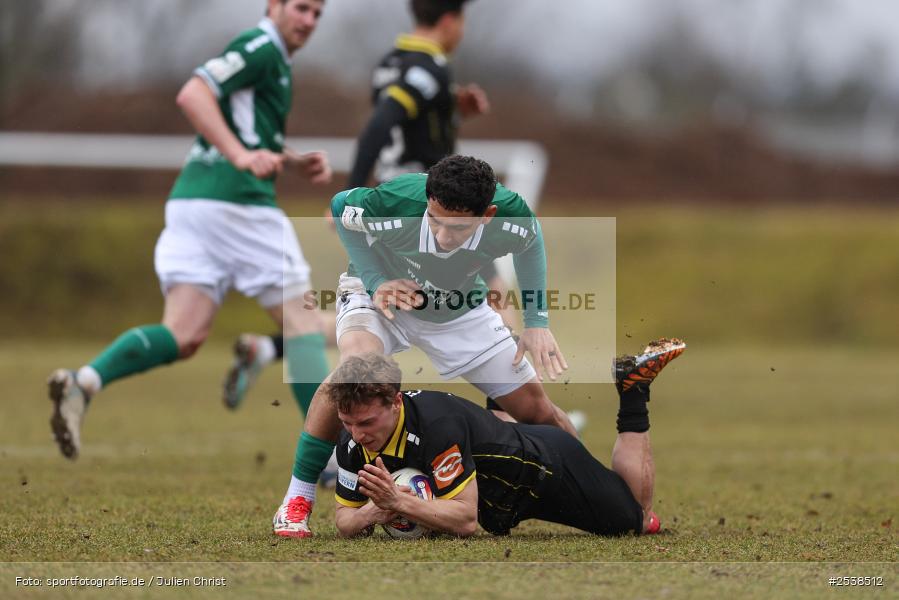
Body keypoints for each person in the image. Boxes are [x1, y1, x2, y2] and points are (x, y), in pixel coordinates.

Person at [46, 0, 333, 460]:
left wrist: (291, 161)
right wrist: (241, 158)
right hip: (238, 206)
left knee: (183, 335)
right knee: (303, 326)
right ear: (273, 6)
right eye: (301, 8)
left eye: (318, 14)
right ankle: (331, 459)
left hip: (192, 203)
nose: (309, 21)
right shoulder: (260, 46)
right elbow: (193, 94)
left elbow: (250, 130)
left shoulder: (273, 59)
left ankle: (84, 383)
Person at [272, 154, 577, 538]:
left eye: (458, 227)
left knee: (537, 410)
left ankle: (590, 483)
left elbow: (531, 244)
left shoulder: (510, 214)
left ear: (488, 214)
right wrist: (376, 279)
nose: (444, 236)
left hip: (458, 310)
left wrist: (536, 323)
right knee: (352, 374)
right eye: (435, 220)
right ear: (427, 202)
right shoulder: (396, 201)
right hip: (381, 297)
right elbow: (339, 209)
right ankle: (296, 501)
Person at [223, 0, 501, 413]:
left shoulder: (390, 63)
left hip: (400, 206)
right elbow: (380, 126)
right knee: (493, 296)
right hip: (432, 211)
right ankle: (509, 420)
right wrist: (350, 194)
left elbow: (410, 129)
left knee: (382, 310)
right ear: (449, 20)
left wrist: (452, 113)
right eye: (462, 21)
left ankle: (270, 347)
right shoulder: (430, 68)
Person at [332, 340, 685, 537]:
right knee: (490, 443)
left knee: (636, 521)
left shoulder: (437, 426)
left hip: (546, 467)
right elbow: (343, 519)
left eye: (365, 421)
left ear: (395, 402)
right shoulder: (351, 442)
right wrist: (370, 512)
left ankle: (633, 389)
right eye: (347, 423)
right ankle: (499, 373)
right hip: (502, 463)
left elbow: (464, 520)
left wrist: (397, 503)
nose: (357, 434)